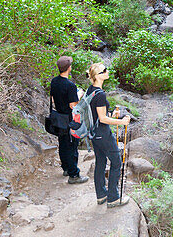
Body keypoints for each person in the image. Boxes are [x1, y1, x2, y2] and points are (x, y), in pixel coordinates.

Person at [86, 62, 131, 207]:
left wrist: (113, 114)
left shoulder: (90, 90)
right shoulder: (100, 94)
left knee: (101, 161)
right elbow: (103, 118)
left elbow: (98, 113)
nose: (107, 72)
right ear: (98, 76)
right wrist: (122, 122)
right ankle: (113, 198)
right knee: (116, 162)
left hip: (93, 133)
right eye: (104, 71)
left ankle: (101, 195)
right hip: (103, 133)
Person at [49, 56, 88, 185]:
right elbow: (73, 105)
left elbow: (53, 100)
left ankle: (66, 168)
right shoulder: (70, 85)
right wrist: (80, 94)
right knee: (72, 146)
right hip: (69, 119)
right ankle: (74, 175)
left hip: (59, 117)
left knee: (63, 144)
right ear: (68, 68)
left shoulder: (54, 81)